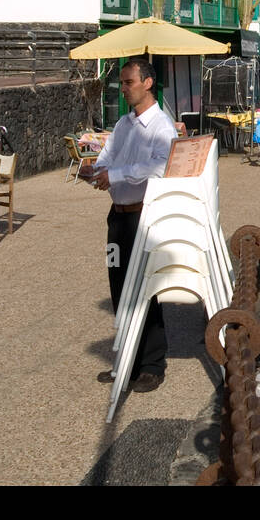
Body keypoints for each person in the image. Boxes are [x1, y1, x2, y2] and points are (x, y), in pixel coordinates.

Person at [85, 57, 176, 394]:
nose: (124, 89)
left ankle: (152, 364)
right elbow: (108, 158)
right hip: (118, 215)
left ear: (147, 83)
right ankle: (126, 361)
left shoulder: (161, 127)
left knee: (144, 289)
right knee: (120, 290)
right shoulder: (124, 125)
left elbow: (159, 167)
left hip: (142, 216)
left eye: (129, 83)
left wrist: (117, 175)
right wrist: (96, 172)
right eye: (122, 83)